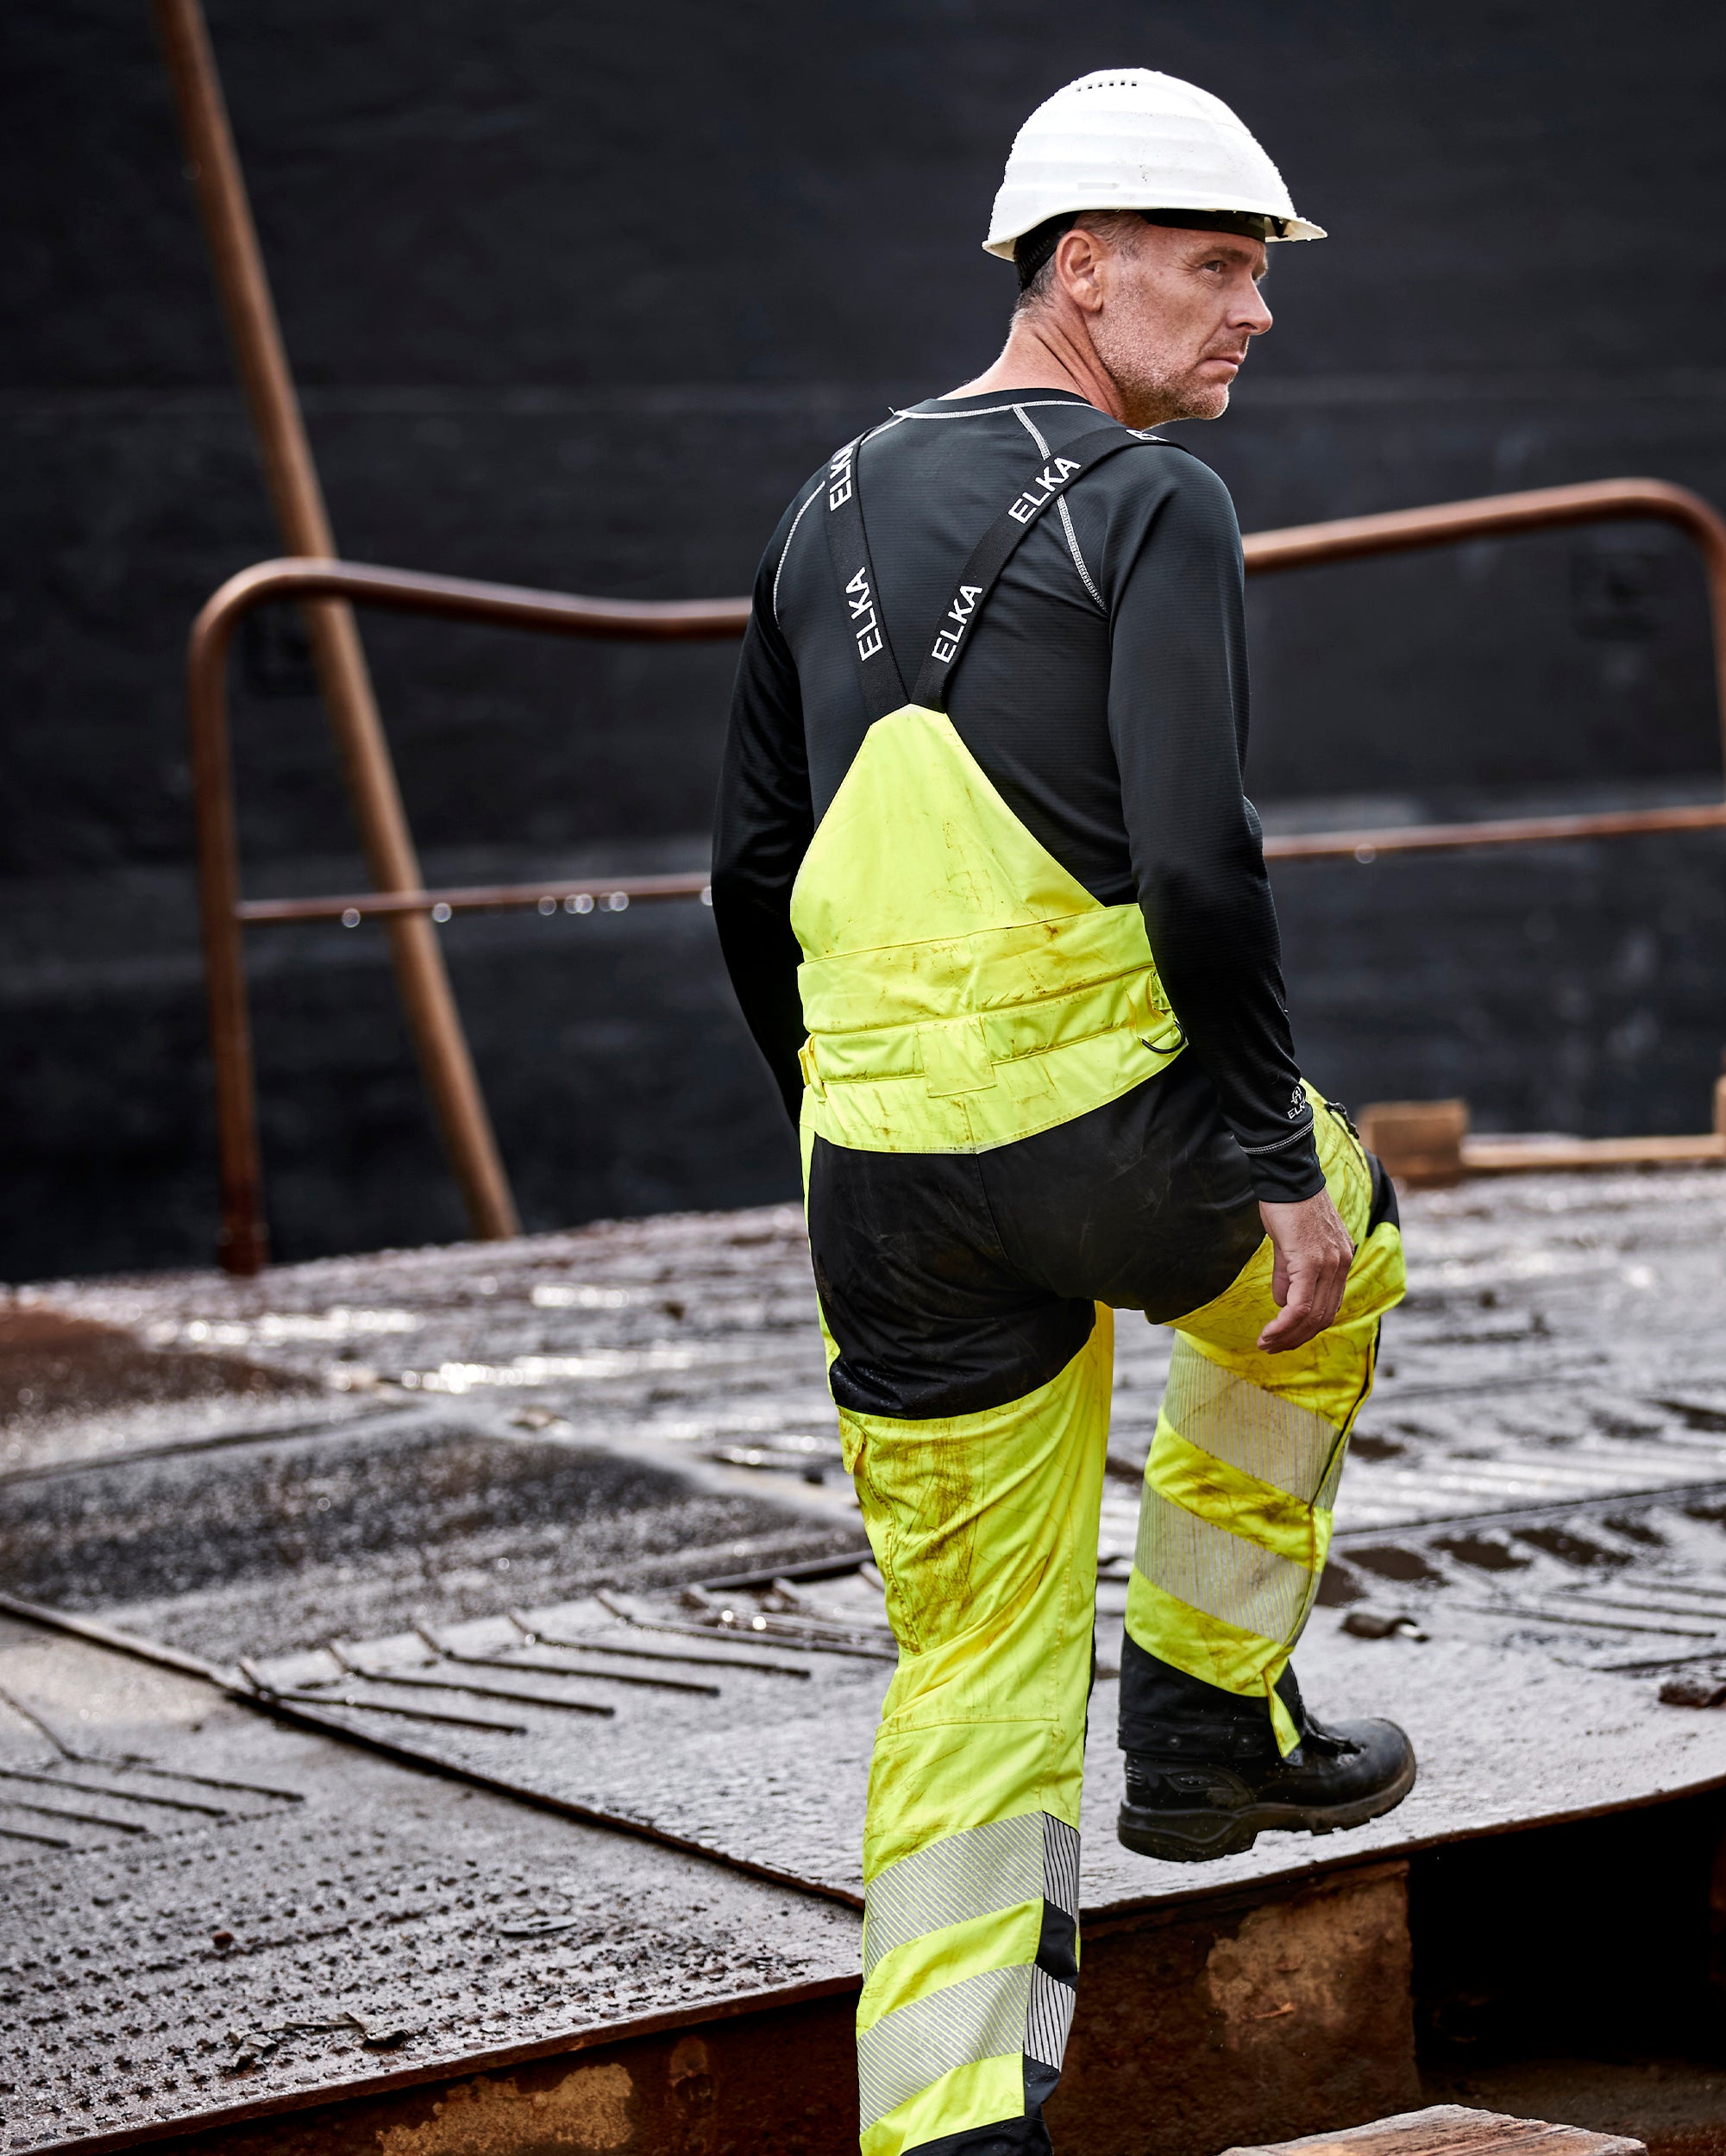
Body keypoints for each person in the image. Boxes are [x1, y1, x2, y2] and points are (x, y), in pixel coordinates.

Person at [712, 66, 1414, 2156]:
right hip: (1127, 1146)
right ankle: (1205, 1711)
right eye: (1214, 267)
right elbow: (1199, 860)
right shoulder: (1152, 501)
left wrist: (834, 1122)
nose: (1253, 311)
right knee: (1344, 1255)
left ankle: (947, 2129)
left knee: (968, 1661)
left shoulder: (818, 499)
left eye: (1258, 273)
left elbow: (748, 876)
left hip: (885, 1188)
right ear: (1077, 269)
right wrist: (1277, 1161)